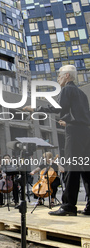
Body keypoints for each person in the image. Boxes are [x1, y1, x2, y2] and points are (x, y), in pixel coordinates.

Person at [24, 64, 90, 216]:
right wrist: (69, 121)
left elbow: (57, 107)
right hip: (85, 132)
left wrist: (35, 109)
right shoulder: (82, 94)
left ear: (67, 76)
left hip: (74, 133)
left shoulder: (67, 89)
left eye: (60, 76)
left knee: (71, 168)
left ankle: (68, 206)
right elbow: (81, 115)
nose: (58, 78)